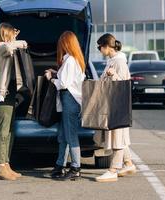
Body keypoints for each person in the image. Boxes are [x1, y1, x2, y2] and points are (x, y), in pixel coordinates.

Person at [94, 33, 136, 182]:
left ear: (106, 46)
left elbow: (124, 84)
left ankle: (113, 169)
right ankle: (128, 163)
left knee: (118, 138)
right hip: (113, 104)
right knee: (120, 136)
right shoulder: (113, 60)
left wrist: (114, 76)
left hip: (117, 105)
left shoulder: (119, 62)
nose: (99, 50)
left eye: (100, 47)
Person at [45, 31, 86, 181]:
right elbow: (68, 78)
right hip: (70, 100)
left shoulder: (69, 61)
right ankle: (59, 165)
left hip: (69, 100)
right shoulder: (74, 59)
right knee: (63, 135)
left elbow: (63, 84)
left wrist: (51, 78)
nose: (59, 46)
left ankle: (75, 167)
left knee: (70, 135)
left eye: (61, 43)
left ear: (66, 43)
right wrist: (57, 72)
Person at [0, 22, 27, 181]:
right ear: (6, 34)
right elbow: (14, 47)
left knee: (9, 131)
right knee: (2, 131)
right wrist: (18, 40)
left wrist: (14, 38)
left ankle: (6, 164)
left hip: (11, 93)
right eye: (11, 34)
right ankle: (0, 167)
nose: (13, 36)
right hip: (2, 94)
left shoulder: (5, 45)